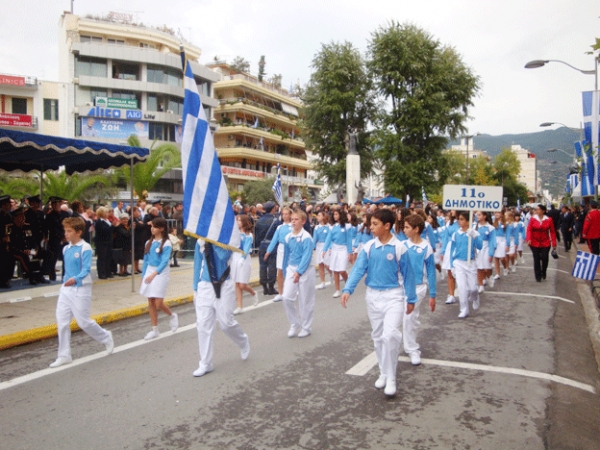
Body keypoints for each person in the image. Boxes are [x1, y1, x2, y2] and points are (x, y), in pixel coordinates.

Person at [341, 209, 417, 397]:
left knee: (390, 335)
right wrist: (347, 289)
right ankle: (383, 372)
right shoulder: (368, 247)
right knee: (377, 336)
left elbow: (409, 275)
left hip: (393, 296)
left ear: (387, 226)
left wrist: (411, 298)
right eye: (371, 224)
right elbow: (358, 269)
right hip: (373, 296)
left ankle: (391, 377)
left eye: (375, 224)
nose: (371, 227)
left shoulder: (399, 248)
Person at [49, 216, 114, 368]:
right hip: (66, 289)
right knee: (62, 322)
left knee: (83, 322)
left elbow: (85, 270)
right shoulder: (66, 248)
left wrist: (75, 279)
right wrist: (66, 281)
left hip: (81, 289)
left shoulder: (85, 248)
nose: (66, 233)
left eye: (69, 231)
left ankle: (105, 337)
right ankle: (64, 355)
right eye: (65, 230)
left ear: (78, 232)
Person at [192, 239, 250, 377]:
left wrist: (212, 241)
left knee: (226, 323)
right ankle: (205, 363)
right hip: (205, 286)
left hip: (225, 284)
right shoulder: (200, 241)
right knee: (203, 325)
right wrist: (195, 288)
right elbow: (197, 263)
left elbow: (224, 257)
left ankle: (243, 341)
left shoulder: (225, 238)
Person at [401, 214, 436, 366]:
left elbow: (431, 271)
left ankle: (412, 349)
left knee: (410, 317)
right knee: (397, 317)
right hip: (400, 286)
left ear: (416, 229)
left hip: (418, 287)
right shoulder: (402, 245)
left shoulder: (426, 247)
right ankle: (396, 345)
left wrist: (432, 294)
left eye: (407, 227)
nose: (404, 230)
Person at [140, 217, 178, 340]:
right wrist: (144, 275)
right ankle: (154, 329)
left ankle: (172, 315)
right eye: (151, 226)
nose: (152, 229)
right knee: (150, 300)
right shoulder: (148, 243)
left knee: (158, 302)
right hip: (150, 270)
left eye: (155, 227)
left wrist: (154, 273)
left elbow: (164, 261)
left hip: (161, 272)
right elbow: (146, 260)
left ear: (161, 229)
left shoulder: (166, 243)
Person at [281, 210, 315, 338]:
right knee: (286, 297)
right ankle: (294, 323)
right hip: (291, 268)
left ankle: (306, 327)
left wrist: (299, 272)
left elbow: (306, 257)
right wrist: (286, 271)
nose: (293, 221)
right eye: (292, 219)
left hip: (306, 270)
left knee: (305, 299)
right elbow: (286, 255)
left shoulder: (306, 238)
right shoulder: (288, 237)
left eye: (296, 219)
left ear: (303, 221)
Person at [449, 211, 482, 318]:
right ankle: (464, 309)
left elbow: (480, 246)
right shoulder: (456, 234)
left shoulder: (474, 233)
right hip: (458, 263)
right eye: (459, 219)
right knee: (462, 288)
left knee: (472, 287)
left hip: (470, 263)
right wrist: (452, 265)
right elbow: (452, 250)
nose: (459, 221)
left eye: (462, 219)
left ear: (468, 221)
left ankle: (475, 296)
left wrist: (475, 236)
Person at [322, 208, 352, 298]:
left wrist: (350, 252)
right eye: (334, 214)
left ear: (341, 215)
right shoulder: (332, 227)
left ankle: (348, 285)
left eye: (337, 214)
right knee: (335, 270)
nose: (335, 216)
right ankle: (337, 290)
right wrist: (325, 249)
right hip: (335, 249)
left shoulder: (347, 226)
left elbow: (349, 240)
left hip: (343, 249)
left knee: (342, 270)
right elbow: (328, 239)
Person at [264, 207, 292, 302]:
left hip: (291, 249)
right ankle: (281, 293)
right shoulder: (280, 227)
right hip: (281, 249)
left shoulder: (293, 227)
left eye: (286, 214)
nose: (284, 216)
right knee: (280, 271)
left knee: (290, 271)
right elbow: (274, 240)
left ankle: (291, 291)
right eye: (283, 214)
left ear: (290, 215)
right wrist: (268, 251)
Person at [233, 215, 258, 314]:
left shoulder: (249, 235)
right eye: (237, 220)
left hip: (244, 259)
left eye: (240, 220)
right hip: (235, 258)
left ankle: (253, 293)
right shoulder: (235, 233)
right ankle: (239, 306)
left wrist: (242, 258)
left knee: (242, 284)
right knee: (237, 283)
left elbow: (247, 248)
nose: (238, 222)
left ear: (244, 222)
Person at [526, 204, 557, 282]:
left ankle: (544, 271)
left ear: (543, 211)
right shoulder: (533, 219)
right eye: (536, 209)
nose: (536, 211)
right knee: (536, 259)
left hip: (545, 242)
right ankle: (538, 275)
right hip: (534, 242)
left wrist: (554, 243)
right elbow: (529, 229)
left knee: (545, 257)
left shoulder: (549, 219)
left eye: (538, 209)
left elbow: (552, 232)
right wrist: (529, 239)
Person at [255, 201, 280, 296]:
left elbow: (256, 237)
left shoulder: (259, 221)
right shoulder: (276, 221)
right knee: (272, 266)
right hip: (272, 246)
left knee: (262, 266)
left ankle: (264, 287)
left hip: (262, 245)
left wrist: (259, 245)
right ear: (273, 208)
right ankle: (271, 287)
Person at [474, 211, 496, 292]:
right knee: (479, 268)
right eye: (477, 215)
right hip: (477, 248)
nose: (478, 216)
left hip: (486, 248)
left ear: (484, 216)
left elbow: (492, 241)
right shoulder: (474, 227)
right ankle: (481, 285)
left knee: (486, 268)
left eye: (479, 215)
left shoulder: (490, 228)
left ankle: (489, 276)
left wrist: (491, 253)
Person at [314, 211, 332, 290]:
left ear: (324, 217)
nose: (317, 217)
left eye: (319, 215)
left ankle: (332, 274)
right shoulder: (316, 227)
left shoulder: (329, 227)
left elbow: (330, 239)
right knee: (320, 264)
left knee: (327, 264)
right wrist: (311, 247)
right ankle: (322, 282)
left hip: (326, 246)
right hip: (319, 246)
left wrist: (330, 248)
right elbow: (314, 238)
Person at [492, 211, 508, 279]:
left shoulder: (505, 223)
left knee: (502, 258)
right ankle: (497, 273)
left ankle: (505, 267)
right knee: (496, 258)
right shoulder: (493, 222)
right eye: (495, 213)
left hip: (502, 240)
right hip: (495, 240)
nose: (496, 214)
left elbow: (507, 234)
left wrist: (508, 244)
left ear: (502, 214)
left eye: (498, 213)